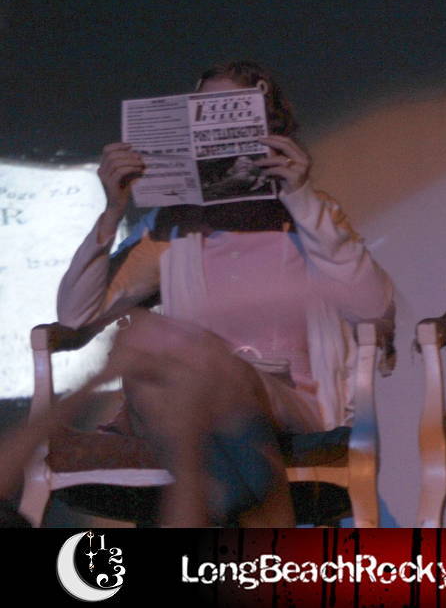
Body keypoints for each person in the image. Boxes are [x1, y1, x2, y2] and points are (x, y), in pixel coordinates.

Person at [56, 61, 394, 526]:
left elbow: (372, 307)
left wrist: (300, 196)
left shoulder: (309, 217)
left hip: (284, 400)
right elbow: (76, 315)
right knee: (167, 377)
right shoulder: (174, 228)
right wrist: (113, 212)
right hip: (184, 397)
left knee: (193, 379)